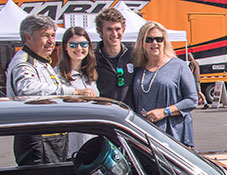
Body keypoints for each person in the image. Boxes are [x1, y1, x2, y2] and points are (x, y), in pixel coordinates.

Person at [6, 15, 94, 165]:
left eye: (53, 36)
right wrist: (73, 92)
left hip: (52, 139)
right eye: (45, 36)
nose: (51, 41)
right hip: (37, 139)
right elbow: (28, 90)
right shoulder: (25, 62)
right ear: (28, 37)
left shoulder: (42, 61)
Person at [133, 21, 197, 147]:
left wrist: (164, 112)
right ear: (142, 42)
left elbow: (192, 100)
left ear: (165, 41)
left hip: (173, 136)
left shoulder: (178, 66)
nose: (154, 43)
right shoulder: (138, 69)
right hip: (146, 135)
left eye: (159, 39)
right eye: (149, 39)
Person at [55, 26, 99, 157]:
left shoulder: (91, 74)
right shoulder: (57, 75)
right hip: (70, 147)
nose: (79, 48)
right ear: (65, 47)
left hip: (92, 139)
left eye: (83, 44)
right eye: (73, 44)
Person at [94, 8, 134, 108]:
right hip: (106, 119)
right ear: (100, 31)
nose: (114, 34)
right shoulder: (92, 59)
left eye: (117, 29)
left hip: (131, 118)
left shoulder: (134, 55)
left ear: (123, 29)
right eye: (109, 29)